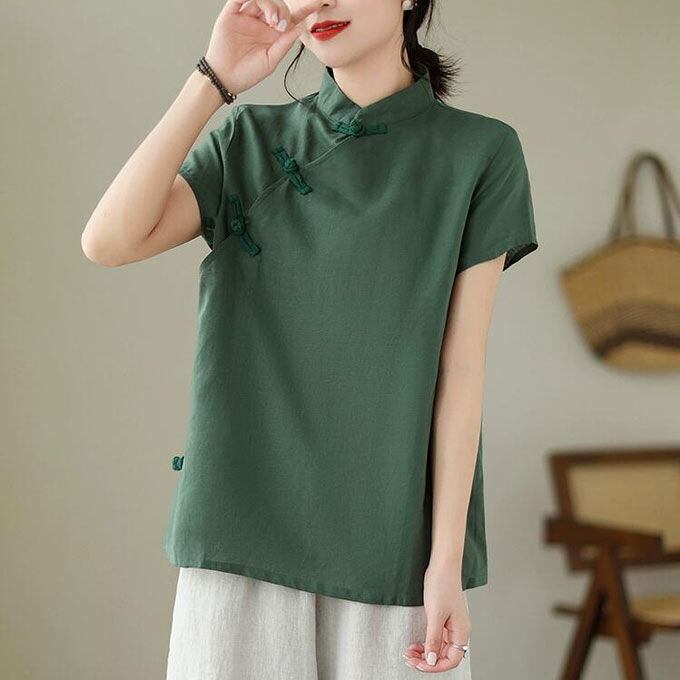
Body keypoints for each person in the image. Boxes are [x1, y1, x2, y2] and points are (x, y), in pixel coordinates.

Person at [81, 0, 539, 677]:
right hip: (241, 527)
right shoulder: (250, 140)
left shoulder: (480, 152)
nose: (317, 1)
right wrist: (214, 79)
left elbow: (462, 370)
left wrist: (445, 563)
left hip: (393, 543)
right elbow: (108, 241)